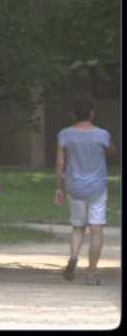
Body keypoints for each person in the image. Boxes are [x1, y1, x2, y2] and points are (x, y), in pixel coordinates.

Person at [55, 94, 116, 286]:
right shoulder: (102, 134)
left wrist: (58, 188)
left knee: (78, 226)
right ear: (91, 113)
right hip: (97, 187)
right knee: (96, 229)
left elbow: (59, 162)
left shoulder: (65, 134)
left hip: (74, 187)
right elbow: (112, 151)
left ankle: (74, 256)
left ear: (75, 113)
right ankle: (91, 275)